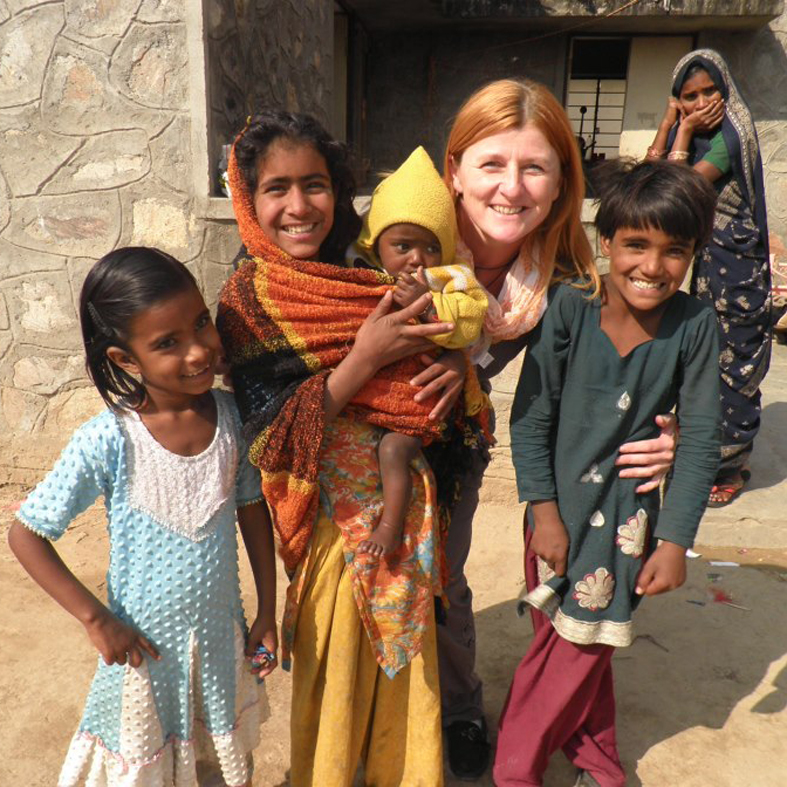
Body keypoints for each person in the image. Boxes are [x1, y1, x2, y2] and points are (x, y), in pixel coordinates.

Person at [216, 110, 480, 786]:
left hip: (408, 516)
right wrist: (362, 358)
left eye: (315, 184)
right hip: (332, 522)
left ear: (339, 192)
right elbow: (265, 438)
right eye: (276, 188)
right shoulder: (247, 301)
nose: (298, 206)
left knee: (405, 676)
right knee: (334, 680)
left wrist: (456, 363)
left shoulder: (369, 272)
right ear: (248, 199)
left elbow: (452, 357)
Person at [436, 78, 679, 779]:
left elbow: (622, 364)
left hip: (460, 441)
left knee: (446, 579)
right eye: (490, 164)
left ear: (560, 183)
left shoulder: (561, 278)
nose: (511, 188)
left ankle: (458, 708)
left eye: (534, 167)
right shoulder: (406, 244)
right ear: (454, 171)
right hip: (370, 443)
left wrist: (663, 430)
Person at [7, 248, 277, 786]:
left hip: (220, 644)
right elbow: (26, 534)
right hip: (142, 658)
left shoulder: (231, 418)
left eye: (201, 322)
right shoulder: (108, 440)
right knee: (144, 770)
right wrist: (96, 618)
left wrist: (268, 609)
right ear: (127, 360)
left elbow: (251, 508)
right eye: (167, 343)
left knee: (218, 764)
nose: (199, 351)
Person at [493, 160, 721, 787]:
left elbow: (701, 438)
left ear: (694, 253)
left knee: (574, 653)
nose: (653, 266)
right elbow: (531, 418)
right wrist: (542, 512)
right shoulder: (569, 307)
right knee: (565, 643)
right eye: (637, 244)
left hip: (627, 524)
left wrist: (674, 543)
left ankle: (515, 770)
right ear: (606, 242)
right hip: (554, 516)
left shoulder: (695, 326)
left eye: (676, 250)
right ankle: (596, 760)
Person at [349, 145, 489, 557]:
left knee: (394, 450)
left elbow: (467, 322)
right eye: (403, 246)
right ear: (376, 246)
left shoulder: (452, 278)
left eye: (430, 247)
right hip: (369, 400)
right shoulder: (361, 276)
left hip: (418, 402)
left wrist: (429, 304)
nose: (417, 259)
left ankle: (390, 527)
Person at [647, 48, 771, 507]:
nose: (701, 103)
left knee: (731, 365)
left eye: (709, 92)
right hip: (704, 268)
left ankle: (730, 464)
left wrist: (682, 130)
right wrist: (667, 124)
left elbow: (675, 192)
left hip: (736, 274)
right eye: (689, 96)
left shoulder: (728, 139)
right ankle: (698, 450)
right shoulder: (695, 132)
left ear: (725, 91)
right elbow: (648, 185)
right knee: (699, 363)